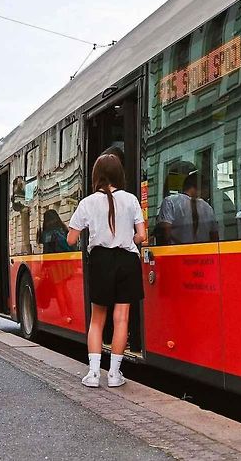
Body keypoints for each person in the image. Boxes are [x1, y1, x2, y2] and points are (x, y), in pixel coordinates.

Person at [67, 154, 146, 388]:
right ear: (118, 175)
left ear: (96, 176)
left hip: (100, 260)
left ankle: (93, 374)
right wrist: (128, 238)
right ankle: (114, 374)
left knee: (97, 319)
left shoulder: (87, 203)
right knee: (121, 318)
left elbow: (71, 239)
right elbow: (142, 235)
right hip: (126, 260)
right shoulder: (131, 200)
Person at [157, 171, 219, 244]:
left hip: (177, 251)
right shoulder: (208, 208)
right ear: (197, 187)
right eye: (205, 188)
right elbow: (214, 236)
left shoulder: (170, 201)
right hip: (203, 251)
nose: (207, 191)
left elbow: (166, 233)